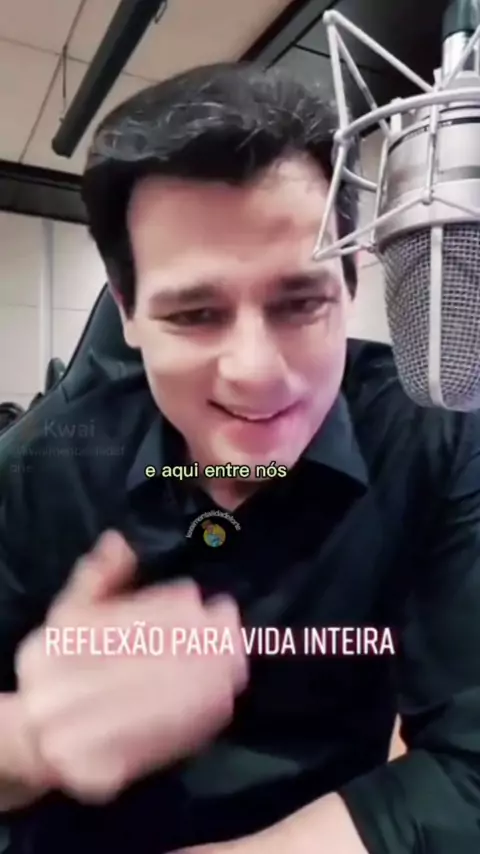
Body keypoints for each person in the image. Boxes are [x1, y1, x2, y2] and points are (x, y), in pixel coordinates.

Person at [0, 61, 479, 854]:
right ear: (127, 313)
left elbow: (470, 768)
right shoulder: (39, 469)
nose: (256, 371)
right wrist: (31, 740)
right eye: (194, 314)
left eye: (300, 302)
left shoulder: (434, 438)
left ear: (348, 283)